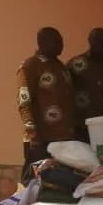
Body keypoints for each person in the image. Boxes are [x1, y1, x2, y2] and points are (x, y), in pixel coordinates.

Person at [16, 27, 75, 183]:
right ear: (42, 42)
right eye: (56, 42)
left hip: (62, 138)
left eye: (61, 41)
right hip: (40, 138)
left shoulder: (62, 67)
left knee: (56, 182)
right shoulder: (30, 65)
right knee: (33, 181)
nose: (61, 45)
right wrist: (32, 132)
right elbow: (24, 102)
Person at [67, 27, 103, 141]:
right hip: (81, 123)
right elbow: (64, 89)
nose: (99, 43)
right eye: (96, 40)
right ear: (89, 40)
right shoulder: (76, 64)